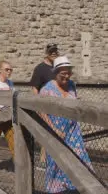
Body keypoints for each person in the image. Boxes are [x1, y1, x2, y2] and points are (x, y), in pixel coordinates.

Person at [39, 56, 93, 193]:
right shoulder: (47, 89)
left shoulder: (72, 86)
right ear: (55, 72)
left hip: (73, 131)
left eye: (69, 73)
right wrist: (54, 129)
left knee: (79, 160)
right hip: (55, 132)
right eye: (63, 73)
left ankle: (78, 189)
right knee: (57, 164)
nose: (67, 76)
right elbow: (41, 111)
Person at [30, 43, 59, 165]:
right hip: (45, 105)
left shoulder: (58, 67)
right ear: (46, 53)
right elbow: (35, 88)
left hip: (59, 105)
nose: (54, 53)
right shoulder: (40, 68)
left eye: (55, 51)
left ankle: (55, 158)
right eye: (51, 51)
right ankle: (43, 159)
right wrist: (38, 105)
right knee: (47, 131)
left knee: (57, 131)